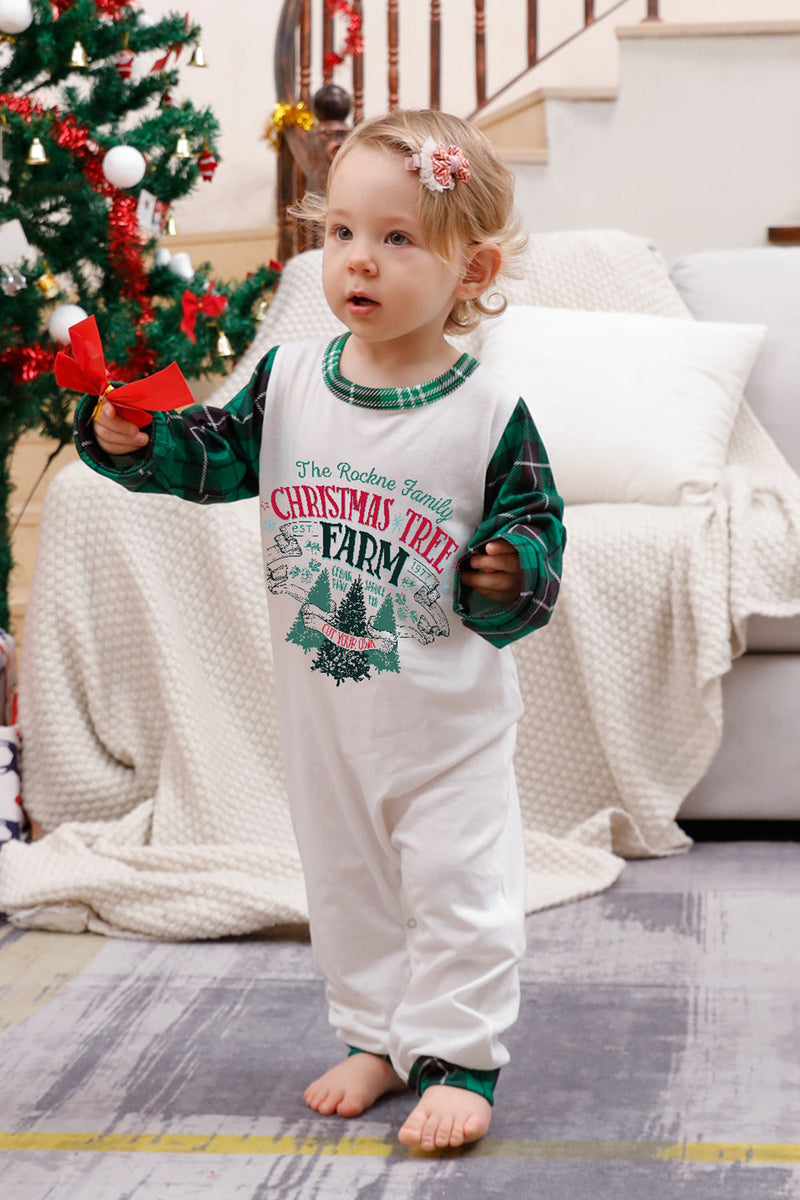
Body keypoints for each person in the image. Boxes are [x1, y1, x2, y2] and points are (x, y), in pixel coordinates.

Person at [74, 109, 566, 1151]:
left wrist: (504, 568)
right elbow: (206, 455)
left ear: (470, 268)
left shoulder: (487, 411)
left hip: (445, 723)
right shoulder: (290, 380)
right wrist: (130, 436)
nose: (360, 261)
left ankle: (459, 1056)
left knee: (453, 884)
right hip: (324, 714)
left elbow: (534, 533)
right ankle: (380, 1036)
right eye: (342, 232)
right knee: (345, 885)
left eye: (397, 239)